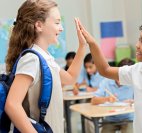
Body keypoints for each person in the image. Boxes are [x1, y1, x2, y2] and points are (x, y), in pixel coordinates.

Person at [4, 0, 86, 132]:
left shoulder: (45, 57)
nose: (61, 28)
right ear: (39, 25)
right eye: (57, 22)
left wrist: (82, 46)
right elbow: (12, 105)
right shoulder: (32, 59)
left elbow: (70, 78)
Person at [91, 58, 135, 133]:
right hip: (110, 119)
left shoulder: (133, 83)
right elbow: (93, 100)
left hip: (128, 119)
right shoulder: (106, 81)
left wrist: (133, 102)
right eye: (122, 76)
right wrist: (107, 99)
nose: (124, 79)